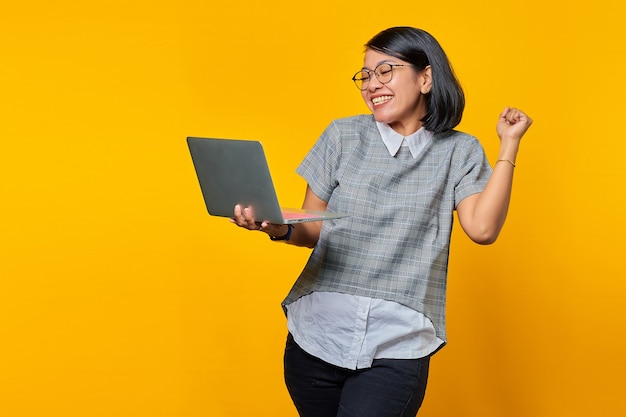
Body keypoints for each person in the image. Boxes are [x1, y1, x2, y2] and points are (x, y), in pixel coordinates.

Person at [231, 26, 532, 417]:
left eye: (385, 70)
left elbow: (483, 229)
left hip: (397, 343)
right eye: (366, 75)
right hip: (317, 335)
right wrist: (276, 227)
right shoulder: (342, 136)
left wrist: (509, 145)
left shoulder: (460, 150)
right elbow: (312, 229)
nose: (372, 84)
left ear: (425, 78)